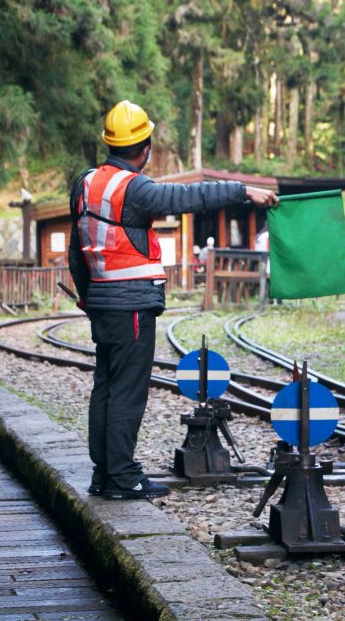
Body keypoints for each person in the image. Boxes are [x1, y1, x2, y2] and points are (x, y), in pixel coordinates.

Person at [69, 100, 278, 500]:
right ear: (145, 147)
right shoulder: (135, 188)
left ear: (110, 143)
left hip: (101, 302)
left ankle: (104, 473)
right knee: (128, 390)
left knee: (106, 387)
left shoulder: (85, 183)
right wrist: (244, 192)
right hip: (130, 305)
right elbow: (188, 198)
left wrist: (88, 295)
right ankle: (123, 476)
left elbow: (76, 252)